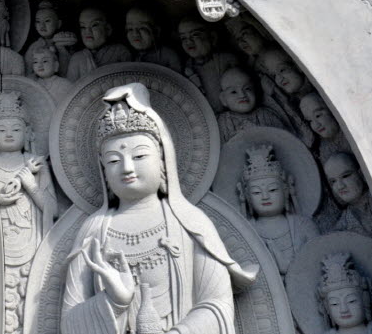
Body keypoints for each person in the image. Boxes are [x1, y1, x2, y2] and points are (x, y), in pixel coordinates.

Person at [61, 83, 257, 334]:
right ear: (102, 168)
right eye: (113, 160)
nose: (127, 168)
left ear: (163, 158)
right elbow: (69, 322)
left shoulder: (189, 223)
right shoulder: (95, 231)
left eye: (139, 156)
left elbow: (218, 305)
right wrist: (114, 302)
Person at [0, 91, 58, 334]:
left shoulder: (36, 164)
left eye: (15, 129)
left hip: (31, 244)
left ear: (27, 133)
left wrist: (31, 186)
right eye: (1, 129)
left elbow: (52, 209)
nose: (8, 134)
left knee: (28, 298)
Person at [237, 144, 318, 277]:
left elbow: (318, 260)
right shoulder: (246, 232)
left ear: (285, 190)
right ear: (247, 197)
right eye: (257, 192)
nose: (265, 196)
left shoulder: (303, 225)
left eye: (272, 189)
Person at [323, 152, 372, 248]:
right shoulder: (341, 229)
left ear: (360, 173)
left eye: (345, 176)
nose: (340, 186)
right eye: (333, 181)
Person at [177, 18, 237, 113]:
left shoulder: (225, 60)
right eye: (183, 38)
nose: (188, 41)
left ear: (212, 37)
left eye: (195, 35)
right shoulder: (186, 68)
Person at [217, 67, 290, 143]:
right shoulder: (222, 121)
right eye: (233, 92)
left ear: (255, 91)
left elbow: (285, 139)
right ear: (223, 99)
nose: (242, 95)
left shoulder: (266, 115)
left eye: (247, 88)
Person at [66, 7, 131, 82]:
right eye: (83, 27)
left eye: (94, 25)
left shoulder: (120, 52)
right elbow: (71, 87)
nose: (88, 31)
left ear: (108, 29)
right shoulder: (77, 58)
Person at [24, 1, 74, 77]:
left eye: (47, 21)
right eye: (38, 21)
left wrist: (61, 48)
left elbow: (68, 71)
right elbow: (28, 71)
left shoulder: (65, 41)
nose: (42, 25)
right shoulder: (35, 47)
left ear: (58, 24)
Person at [124, 5, 181, 72]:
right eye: (130, 29)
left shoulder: (168, 55)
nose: (135, 34)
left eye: (142, 28)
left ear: (156, 31)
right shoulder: (126, 54)